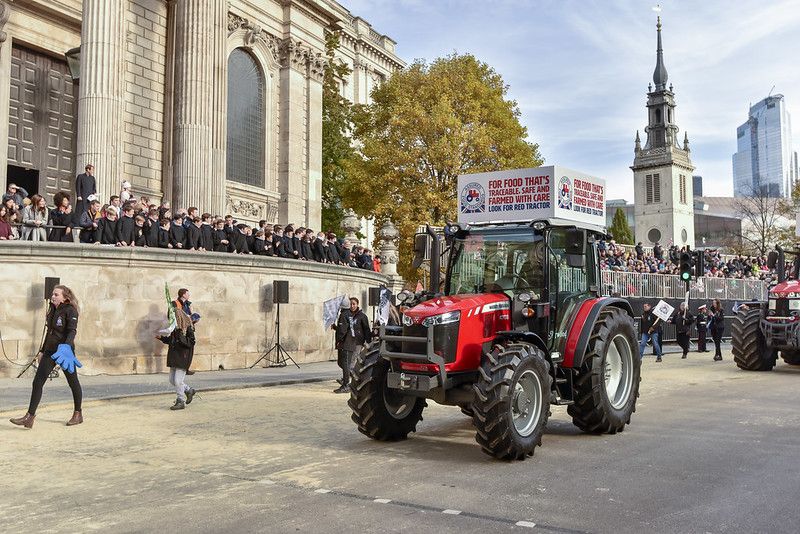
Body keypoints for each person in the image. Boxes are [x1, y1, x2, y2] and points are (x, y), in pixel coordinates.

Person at [10, 285, 83, 428]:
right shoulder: (52, 309)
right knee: (37, 382)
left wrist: (67, 347)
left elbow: (72, 331)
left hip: (64, 353)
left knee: (73, 382)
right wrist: (42, 351)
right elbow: (49, 332)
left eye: (56, 294)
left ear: (65, 297)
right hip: (50, 352)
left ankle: (78, 413)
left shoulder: (70, 310)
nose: (53, 296)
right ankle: (29, 417)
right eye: (53, 294)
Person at [156, 306, 197, 410]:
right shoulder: (174, 327)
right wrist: (162, 338)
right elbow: (172, 340)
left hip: (183, 357)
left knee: (178, 381)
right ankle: (188, 390)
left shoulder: (187, 326)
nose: (170, 318)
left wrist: (179, 334)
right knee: (172, 380)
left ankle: (181, 401)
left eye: (171, 316)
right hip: (174, 356)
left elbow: (191, 342)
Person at [334, 297, 372, 393]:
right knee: (344, 363)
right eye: (350, 304)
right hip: (350, 341)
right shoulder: (350, 315)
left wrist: (368, 341)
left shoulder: (357, 316)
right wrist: (336, 328)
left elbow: (366, 329)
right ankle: (347, 379)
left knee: (350, 364)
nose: (352, 306)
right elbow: (346, 329)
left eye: (354, 304)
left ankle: (349, 382)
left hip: (355, 342)